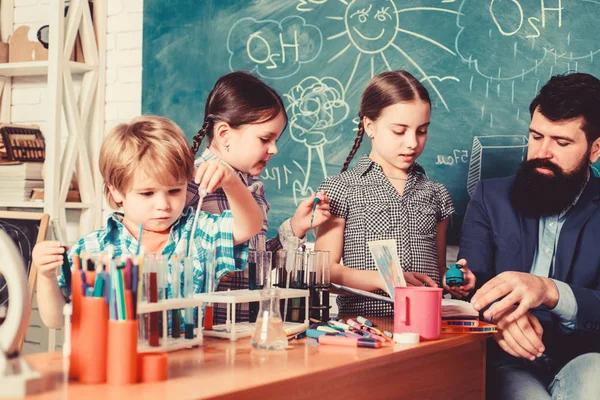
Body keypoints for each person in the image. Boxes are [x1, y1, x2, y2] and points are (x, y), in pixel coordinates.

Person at [33, 116, 263, 329]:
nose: (163, 204)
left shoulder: (198, 233)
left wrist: (231, 182)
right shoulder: (92, 249)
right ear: (116, 192)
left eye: (174, 190)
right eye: (147, 193)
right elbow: (56, 320)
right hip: (116, 365)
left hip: (187, 363)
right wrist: (46, 276)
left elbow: (249, 226)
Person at [459, 72, 600, 399]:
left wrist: (548, 290)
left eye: (562, 142)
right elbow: (468, 286)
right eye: (536, 136)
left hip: (583, 356)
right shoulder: (489, 197)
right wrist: (499, 316)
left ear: (595, 150)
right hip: (506, 361)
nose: (542, 152)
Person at [315, 70, 475, 317]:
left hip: (428, 325)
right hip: (366, 326)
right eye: (399, 131)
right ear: (370, 126)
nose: (412, 142)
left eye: (421, 131)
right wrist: (382, 279)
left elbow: (439, 268)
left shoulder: (436, 194)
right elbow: (323, 271)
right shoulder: (341, 188)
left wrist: (453, 279)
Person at [187, 71, 330, 322]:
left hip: (247, 329)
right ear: (224, 134)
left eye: (275, 139)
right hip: (206, 332)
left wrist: (296, 228)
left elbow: (257, 267)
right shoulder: (189, 186)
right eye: (265, 138)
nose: (273, 149)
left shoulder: (253, 187)